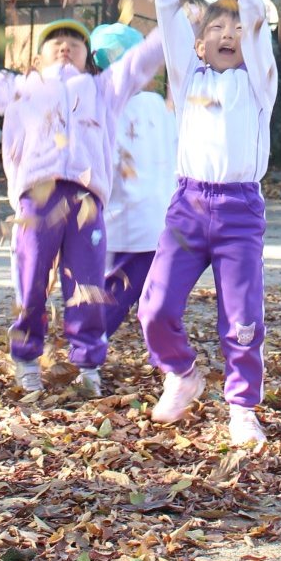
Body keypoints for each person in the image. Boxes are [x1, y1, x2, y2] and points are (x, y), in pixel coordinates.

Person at [0, 15, 163, 398]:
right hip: (37, 195)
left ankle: (88, 365)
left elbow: (141, 59)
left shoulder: (103, 89)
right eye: (56, 40)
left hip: (86, 199)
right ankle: (26, 360)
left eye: (74, 40)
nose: (65, 45)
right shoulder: (21, 88)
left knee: (87, 285)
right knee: (31, 279)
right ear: (38, 58)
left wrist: (178, 19)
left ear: (88, 57)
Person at [137, 0, 277, 448]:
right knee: (154, 308)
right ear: (199, 45)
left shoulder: (258, 84)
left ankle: (242, 407)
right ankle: (182, 373)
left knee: (241, 317)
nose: (227, 32)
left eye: (236, 28)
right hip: (188, 206)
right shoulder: (188, 78)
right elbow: (173, 32)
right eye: (216, 26)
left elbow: (259, 31)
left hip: (240, 210)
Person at [89, 22, 177, 339]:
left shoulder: (101, 105)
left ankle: (88, 352)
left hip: (120, 220)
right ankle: (169, 359)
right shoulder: (161, 106)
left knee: (116, 291)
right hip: (160, 219)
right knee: (148, 295)